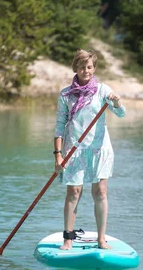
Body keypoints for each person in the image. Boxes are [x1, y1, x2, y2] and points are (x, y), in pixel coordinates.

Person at [53, 49, 125, 250]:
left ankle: (101, 240)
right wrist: (58, 155)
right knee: (74, 192)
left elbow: (120, 113)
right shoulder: (66, 95)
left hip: (99, 149)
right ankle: (68, 239)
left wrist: (117, 102)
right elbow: (60, 126)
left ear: (94, 69)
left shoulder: (102, 90)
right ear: (75, 68)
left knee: (100, 192)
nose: (86, 71)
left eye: (90, 67)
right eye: (82, 67)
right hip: (74, 150)